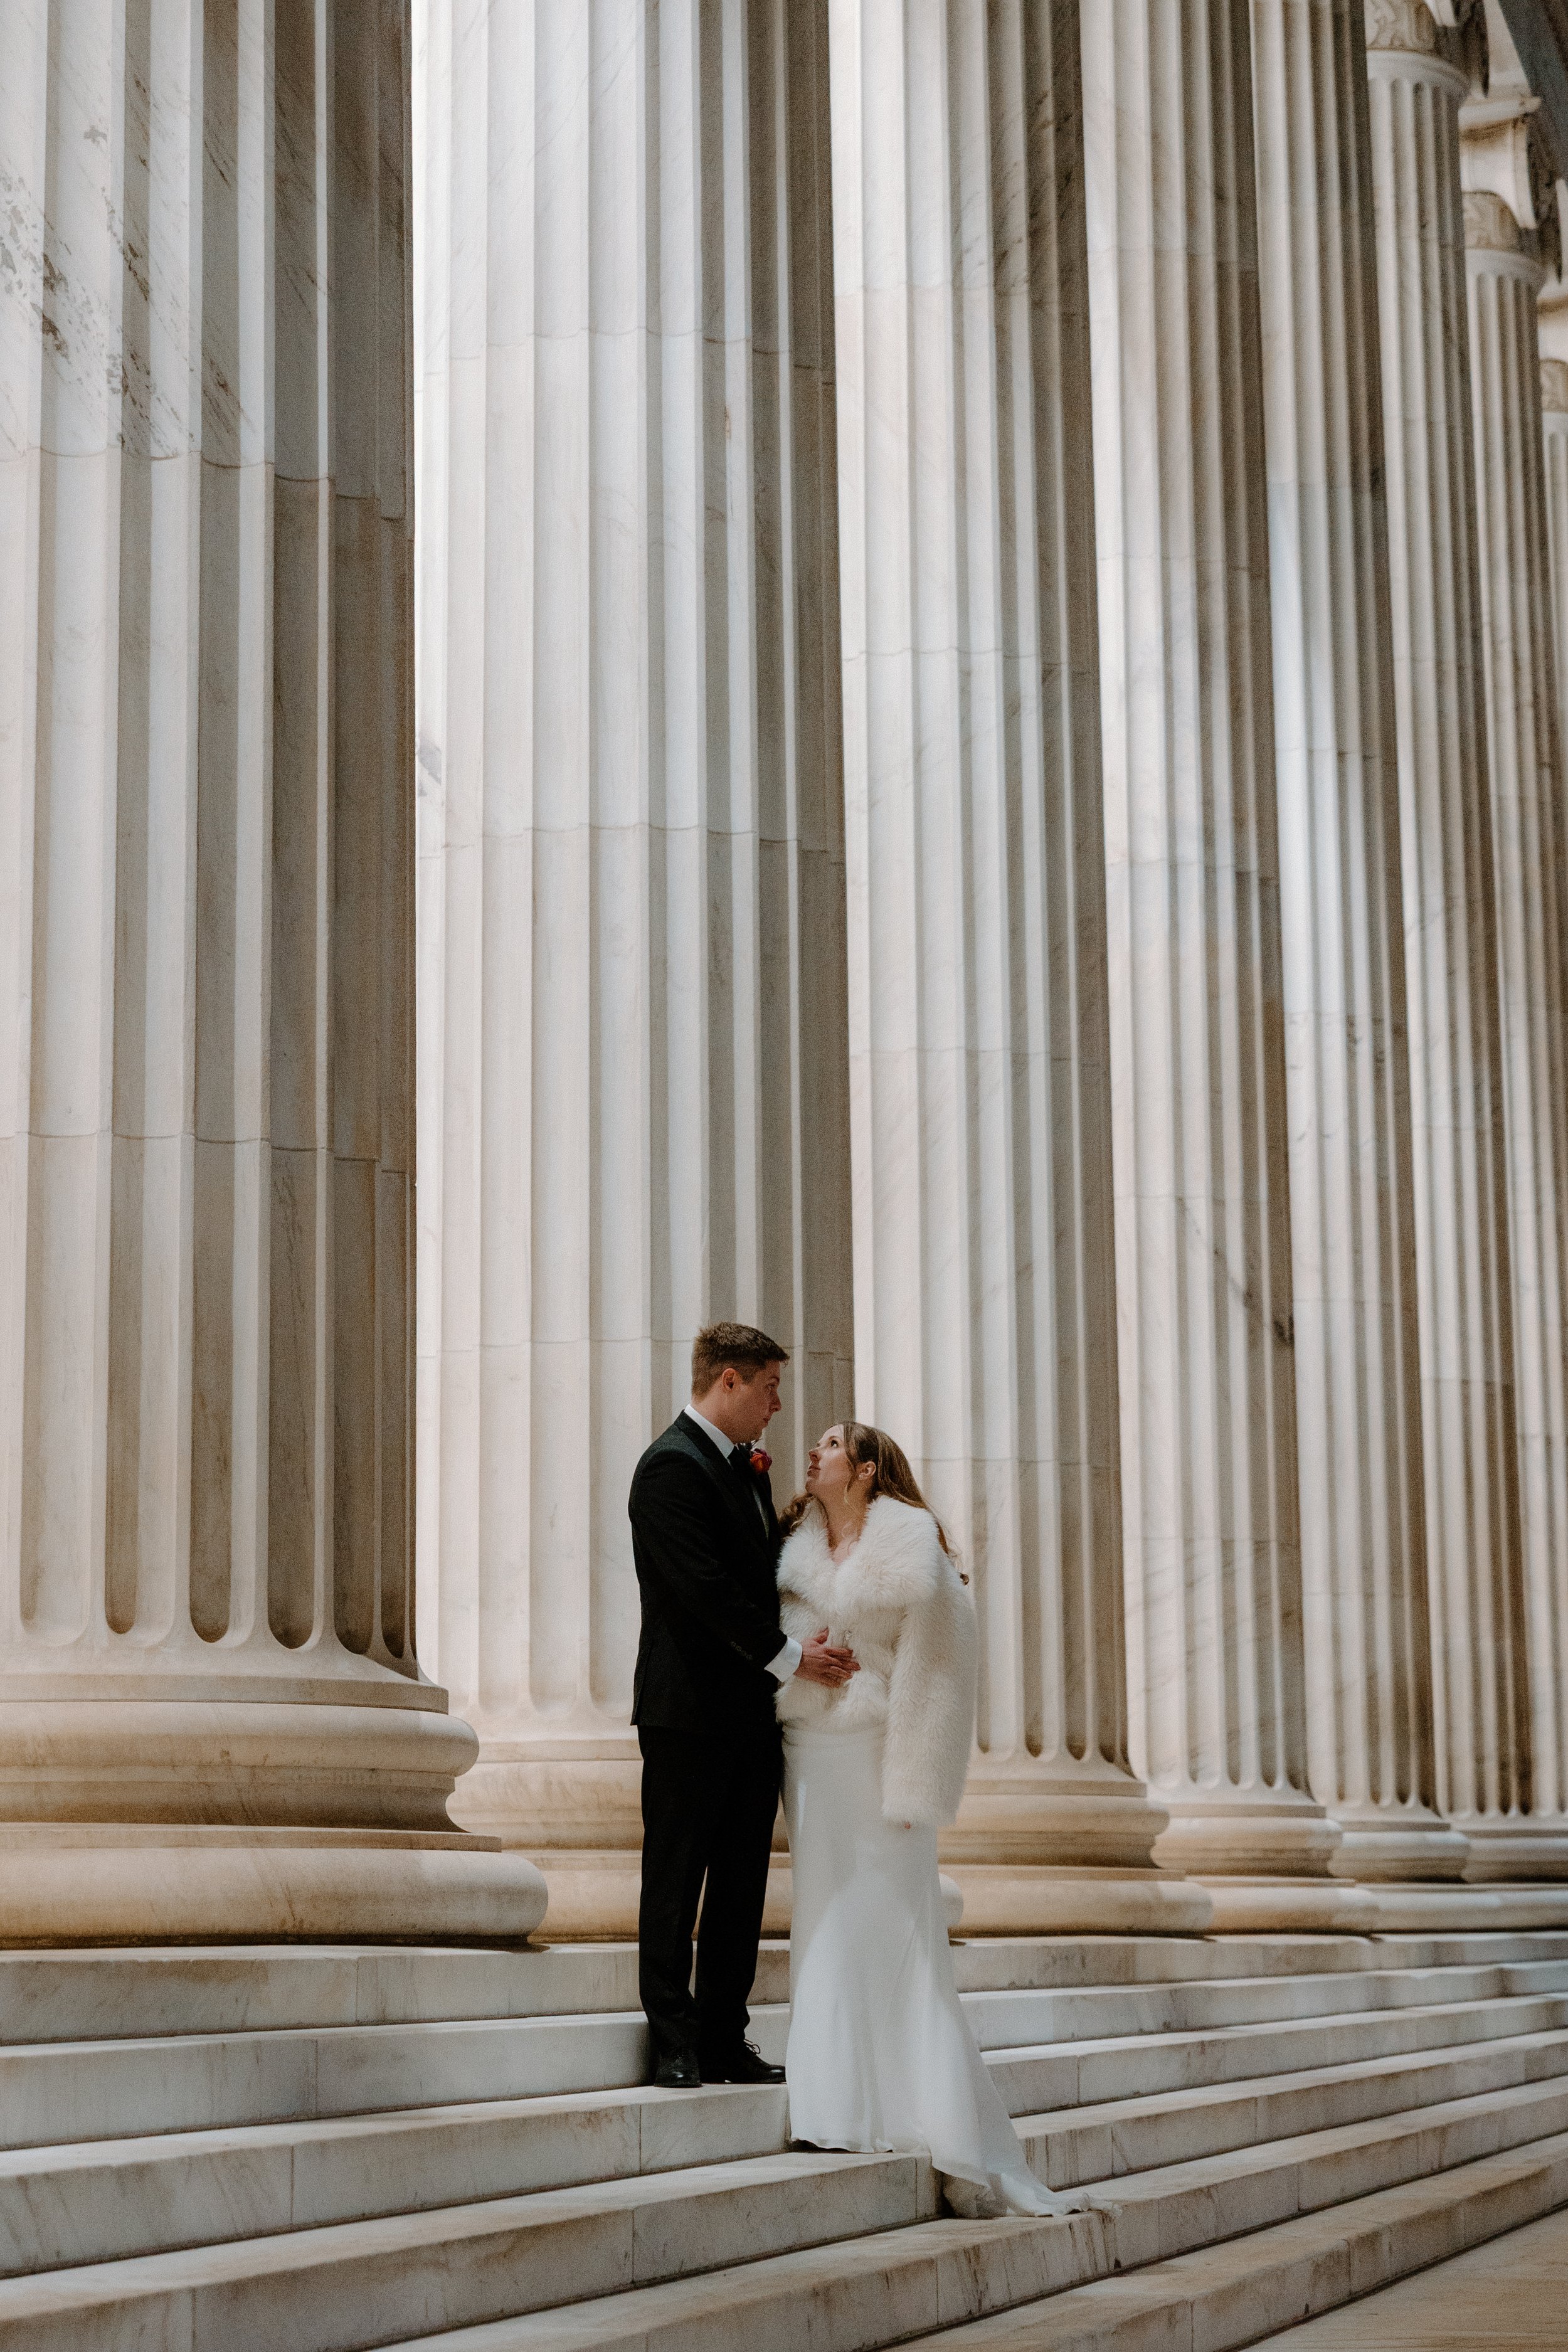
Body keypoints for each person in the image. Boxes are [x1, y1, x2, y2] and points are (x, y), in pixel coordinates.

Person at [775, 1422, 1081, 2217]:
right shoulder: (793, 1546)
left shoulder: (914, 1547)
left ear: (866, 1470)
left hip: (880, 1760)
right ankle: (833, 2106)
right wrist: (798, 1658)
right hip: (810, 1750)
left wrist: (916, 1791)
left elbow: (939, 1676)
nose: (814, 1452)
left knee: (897, 1928)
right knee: (825, 1922)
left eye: (831, 1444)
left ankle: (924, 2108)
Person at [628, 1323, 859, 2089]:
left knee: (740, 1884)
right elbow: (704, 1592)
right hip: (685, 1714)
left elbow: (766, 1579)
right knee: (674, 1878)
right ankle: (674, 2042)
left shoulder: (747, 1472)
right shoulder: (668, 1468)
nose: (778, 1405)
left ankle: (727, 2036)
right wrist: (795, 1658)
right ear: (728, 1381)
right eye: (768, 1387)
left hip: (752, 1715)